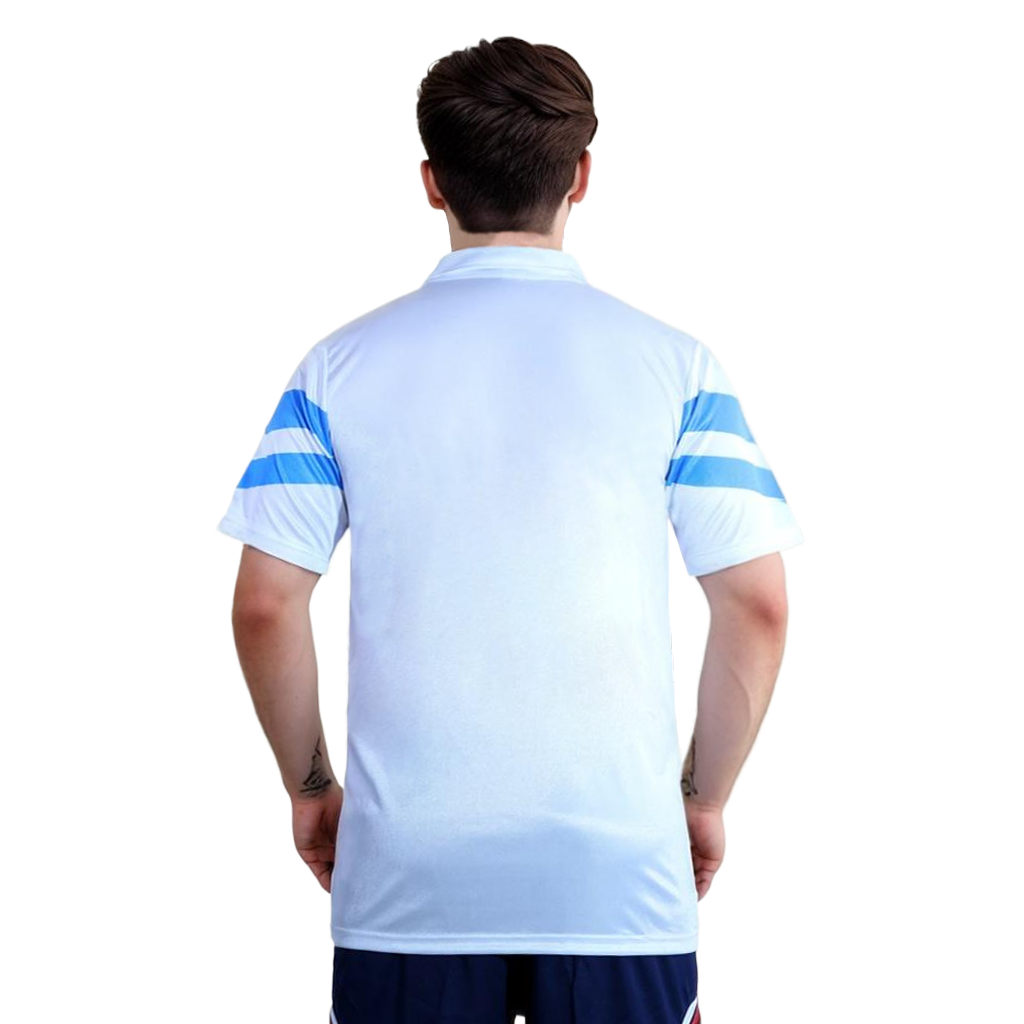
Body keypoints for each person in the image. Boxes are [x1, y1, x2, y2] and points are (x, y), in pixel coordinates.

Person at [217, 35, 803, 1024]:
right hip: (620, 879)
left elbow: (266, 604)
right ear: (581, 176)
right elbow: (757, 604)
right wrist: (700, 799)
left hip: (408, 880)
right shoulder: (678, 369)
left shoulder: (337, 369)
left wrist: (311, 788)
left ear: (431, 183)